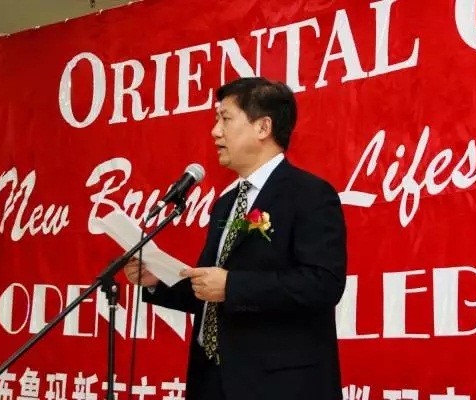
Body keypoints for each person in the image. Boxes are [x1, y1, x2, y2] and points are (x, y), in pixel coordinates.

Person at [124, 77, 347, 400]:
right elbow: (209, 289)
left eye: (225, 118)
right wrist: (157, 280)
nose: (215, 131)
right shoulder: (226, 203)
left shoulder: (310, 194)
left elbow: (323, 284)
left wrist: (232, 286)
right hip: (212, 380)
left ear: (263, 127)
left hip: (277, 386)